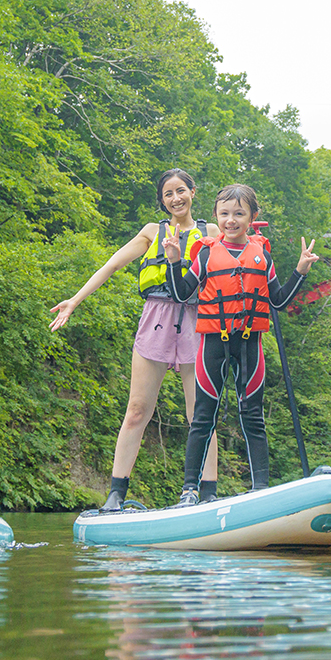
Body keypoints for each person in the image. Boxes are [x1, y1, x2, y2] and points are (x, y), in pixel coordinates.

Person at [49, 169, 221, 510]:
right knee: (137, 409)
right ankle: (115, 494)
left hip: (197, 321)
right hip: (156, 319)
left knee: (199, 414)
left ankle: (208, 493)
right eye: (168, 194)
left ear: (193, 192)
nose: (176, 198)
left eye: (181, 191)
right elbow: (111, 265)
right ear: (162, 200)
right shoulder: (151, 232)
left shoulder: (212, 232)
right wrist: (74, 300)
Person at [163, 183, 319, 506]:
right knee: (203, 417)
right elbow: (180, 294)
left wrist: (300, 271)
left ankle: (259, 488)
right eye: (224, 214)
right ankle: (189, 490)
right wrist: (174, 261)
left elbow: (277, 301)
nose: (230, 220)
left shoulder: (262, 256)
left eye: (239, 213)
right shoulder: (205, 254)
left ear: (253, 217)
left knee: (253, 417)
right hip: (212, 346)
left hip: (250, 347)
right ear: (215, 216)